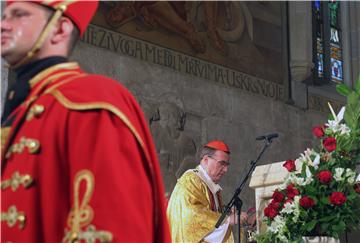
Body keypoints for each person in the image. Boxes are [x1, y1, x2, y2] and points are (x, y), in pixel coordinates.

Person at [1, 1, 170, 242]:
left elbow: (111, 228)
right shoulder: (22, 108)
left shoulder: (93, 100)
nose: (3, 25)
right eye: (4, 15)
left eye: (19, 15)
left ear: (60, 29)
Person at [166, 140, 247, 242]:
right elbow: (191, 216)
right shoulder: (190, 181)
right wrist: (228, 220)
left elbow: (210, 213)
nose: (225, 169)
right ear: (205, 160)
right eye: (222, 163)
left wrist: (228, 214)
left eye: (227, 165)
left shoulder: (209, 185)